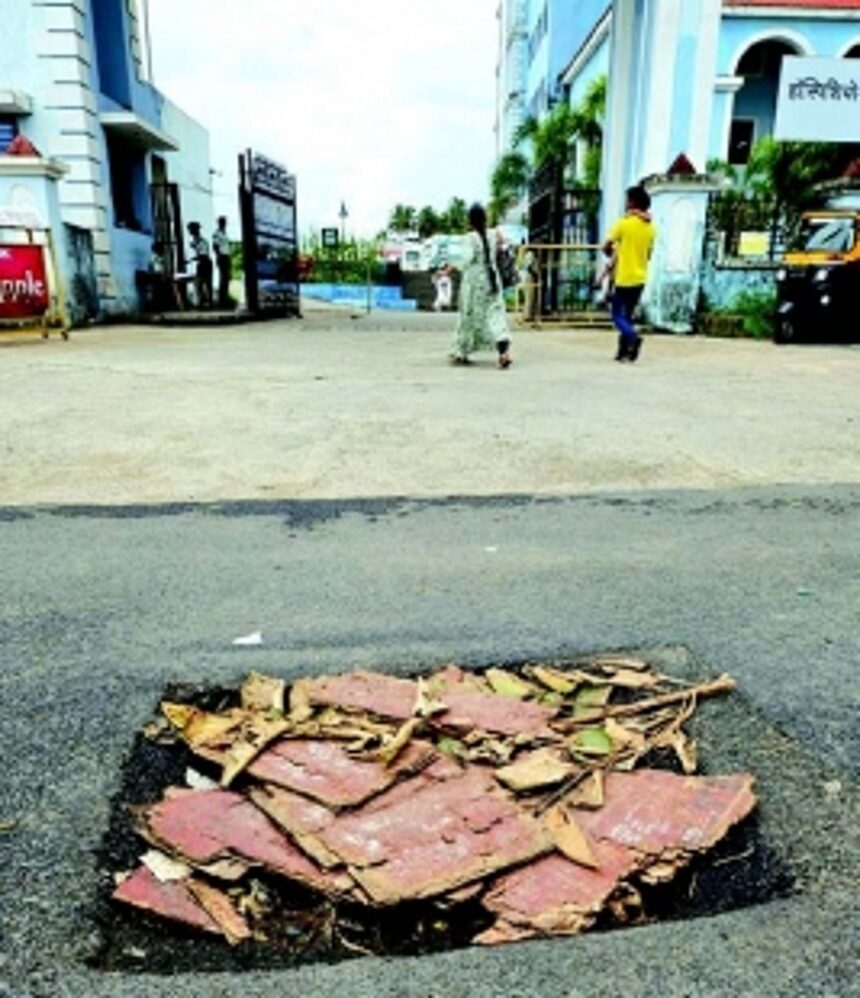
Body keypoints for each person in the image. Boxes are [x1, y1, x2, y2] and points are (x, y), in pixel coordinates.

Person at [449, 203, 512, 369]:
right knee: (496, 316)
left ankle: (461, 352)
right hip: (492, 282)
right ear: (485, 218)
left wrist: (448, 269)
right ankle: (503, 353)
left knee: (468, 317)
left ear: (470, 220)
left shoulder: (469, 238)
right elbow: (503, 247)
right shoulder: (494, 234)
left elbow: (465, 260)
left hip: (474, 284)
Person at [603, 185, 655, 362]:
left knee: (618, 316)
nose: (625, 203)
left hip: (624, 277)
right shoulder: (651, 228)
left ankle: (633, 337)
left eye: (627, 200)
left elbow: (606, 246)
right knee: (628, 316)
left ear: (633, 202)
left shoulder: (623, 224)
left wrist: (611, 252)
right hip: (640, 278)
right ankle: (624, 352)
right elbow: (648, 255)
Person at [187, 221, 213, 309]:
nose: (190, 232)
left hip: (204, 263)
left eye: (191, 230)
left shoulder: (201, 241)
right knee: (201, 284)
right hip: (201, 263)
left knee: (203, 283)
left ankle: (207, 303)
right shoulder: (196, 241)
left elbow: (203, 255)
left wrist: (191, 259)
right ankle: (203, 302)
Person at [515, 239, 538, 321]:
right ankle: (527, 315)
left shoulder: (519, 255)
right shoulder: (529, 254)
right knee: (529, 297)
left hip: (521, 277)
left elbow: (517, 267)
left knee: (526, 298)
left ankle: (526, 314)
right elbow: (532, 267)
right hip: (528, 276)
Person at [212, 216, 232, 309]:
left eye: (224, 222)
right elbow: (215, 246)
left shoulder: (225, 233)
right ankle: (222, 301)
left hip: (227, 256)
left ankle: (225, 299)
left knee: (227, 278)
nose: (224, 224)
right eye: (222, 222)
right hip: (222, 257)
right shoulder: (217, 233)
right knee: (223, 278)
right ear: (219, 223)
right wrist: (219, 256)